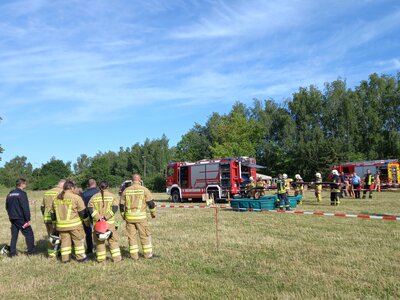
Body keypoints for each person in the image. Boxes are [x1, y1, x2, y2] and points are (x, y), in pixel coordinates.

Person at [51, 180, 89, 263]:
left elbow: (52, 214)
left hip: (61, 226)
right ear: (72, 188)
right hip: (74, 225)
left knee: (65, 242)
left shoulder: (56, 198)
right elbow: (83, 213)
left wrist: (54, 226)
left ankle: (65, 259)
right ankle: (81, 258)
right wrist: (87, 222)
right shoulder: (76, 197)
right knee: (78, 241)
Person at [120, 174, 156, 260]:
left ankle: (134, 256)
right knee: (144, 236)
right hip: (141, 218)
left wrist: (123, 216)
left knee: (132, 237)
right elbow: (151, 204)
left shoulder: (126, 191)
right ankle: (147, 255)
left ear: (131, 181)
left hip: (129, 218)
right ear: (140, 180)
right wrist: (153, 213)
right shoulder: (145, 190)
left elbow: (121, 206)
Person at [87, 181, 121, 263]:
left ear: (99, 187)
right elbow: (114, 209)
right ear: (108, 187)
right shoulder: (113, 196)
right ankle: (117, 259)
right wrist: (105, 218)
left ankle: (101, 260)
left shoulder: (93, 197)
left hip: (98, 224)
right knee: (113, 241)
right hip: (110, 224)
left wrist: (98, 218)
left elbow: (90, 209)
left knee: (99, 242)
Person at [5, 178, 35, 257]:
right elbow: (25, 207)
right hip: (21, 218)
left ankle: (12, 253)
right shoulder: (22, 194)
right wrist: (28, 219)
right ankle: (30, 252)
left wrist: (10, 215)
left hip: (12, 218)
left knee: (14, 235)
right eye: (25, 183)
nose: (26, 185)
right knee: (29, 234)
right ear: (21, 184)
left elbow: (7, 206)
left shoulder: (10, 193)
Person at [41, 179, 65, 258]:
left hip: (46, 217)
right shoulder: (61, 192)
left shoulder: (47, 192)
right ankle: (57, 252)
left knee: (50, 235)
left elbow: (42, 206)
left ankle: (51, 253)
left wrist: (44, 215)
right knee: (58, 235)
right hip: (55, 217)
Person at [81, 178, 98, 254]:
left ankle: (90, 249)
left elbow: (82, 206)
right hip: (98, 214)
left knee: (88, 233)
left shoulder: (84, 194)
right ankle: (100, 248)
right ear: (95, 183)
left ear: (88, 185)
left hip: (87, 214)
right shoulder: (99, 192)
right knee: (99, 230)